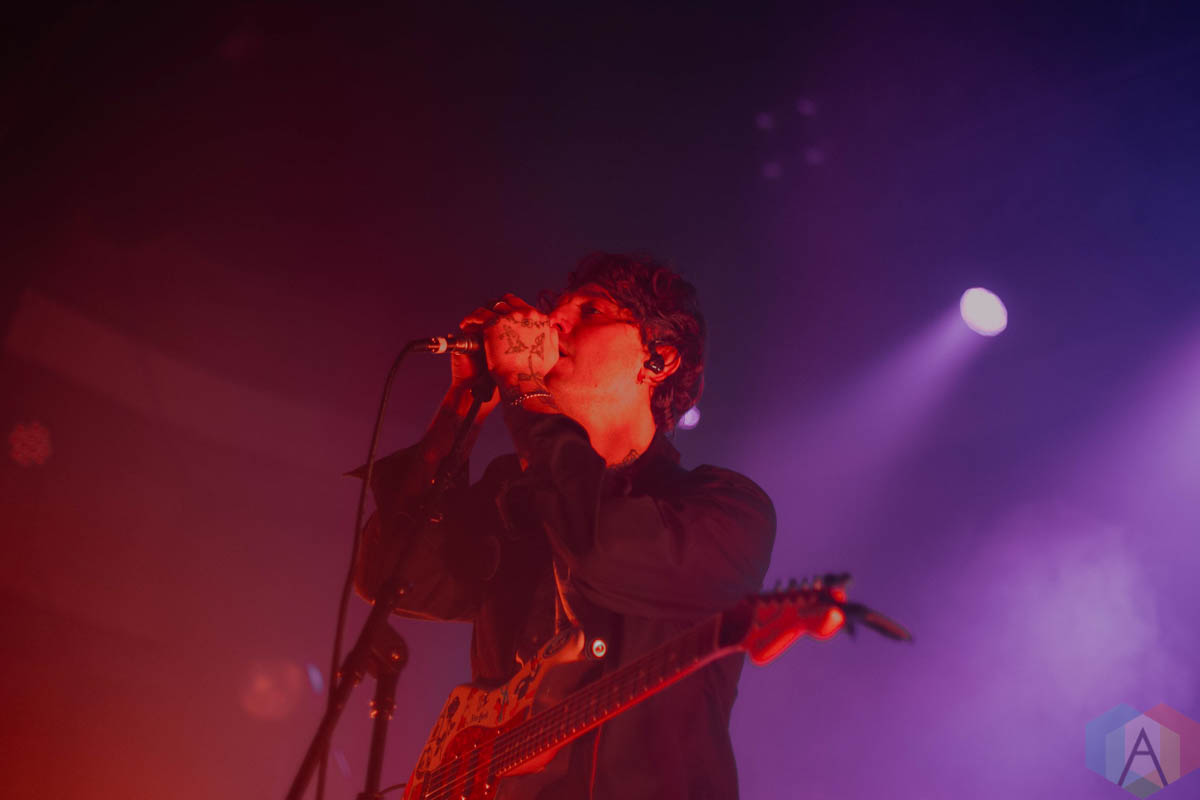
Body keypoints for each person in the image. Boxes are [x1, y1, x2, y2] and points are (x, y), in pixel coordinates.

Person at [354, 253, 776, 799]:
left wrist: (524, 382)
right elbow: (391, 576)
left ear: (659, 359)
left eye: (591, 310)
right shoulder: (516, 491)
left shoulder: (722, 510)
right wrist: (462, 408)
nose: (554, 321)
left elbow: (599, 549)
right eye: (558, 308)